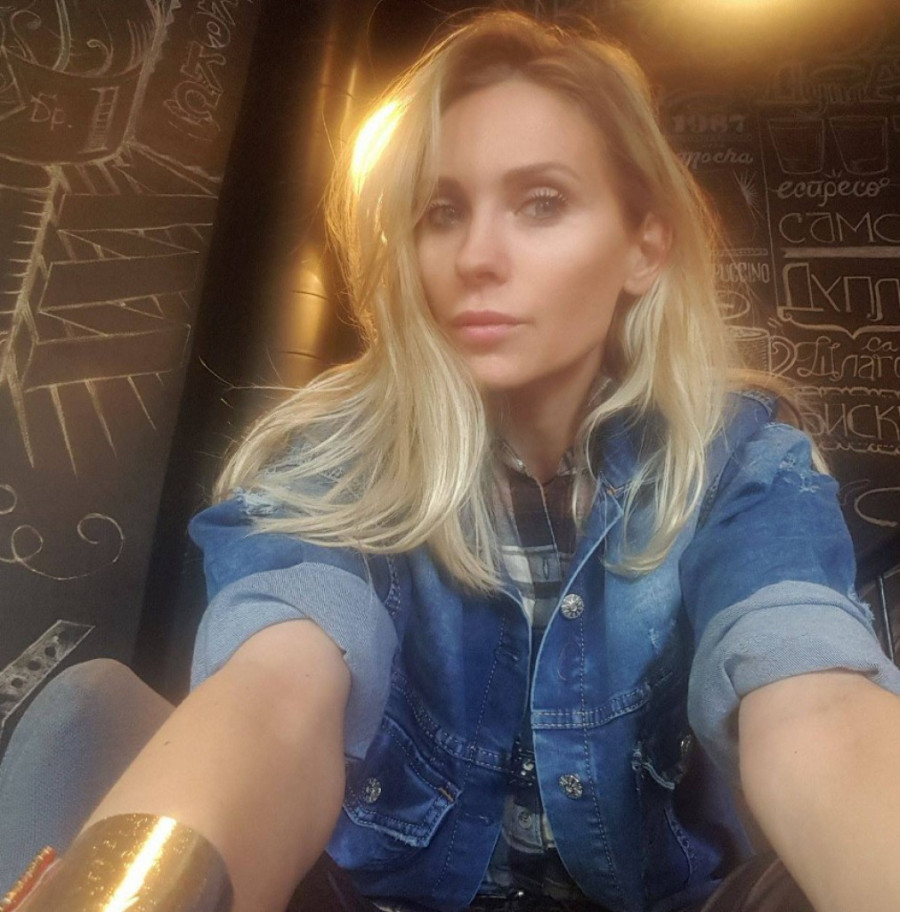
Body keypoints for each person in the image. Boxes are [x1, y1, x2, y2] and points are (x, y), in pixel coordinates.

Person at [2, 10, 900, 912]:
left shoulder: (742, 461)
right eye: (443, 212)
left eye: (541, 202)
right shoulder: (335, 459)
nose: (475, 256)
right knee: (90, 717)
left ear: (644, 244)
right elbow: (276, 694)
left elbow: (810, 697)